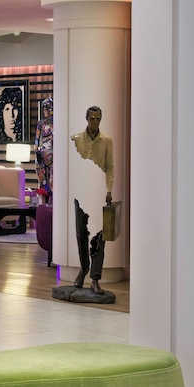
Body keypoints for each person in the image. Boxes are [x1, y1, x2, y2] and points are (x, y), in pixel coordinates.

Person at [70, 105, 115, 294]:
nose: (95, 122)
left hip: (98, 193)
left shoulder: (107, 141)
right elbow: (72, 165)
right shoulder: (76, 139)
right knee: (81, 233)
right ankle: (84, 267)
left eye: (98, 119)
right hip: (81, 193)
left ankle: (95, 278)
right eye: (92, 118)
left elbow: (110, 167)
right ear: (86, 119)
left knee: (99, 238)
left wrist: (108, 189)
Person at [34, 97, 54, 193]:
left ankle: (51, 190)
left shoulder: (56, 122)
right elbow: (37, 137)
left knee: (53, 174)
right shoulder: (41, 123)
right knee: (38, 163)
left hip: (53, 150)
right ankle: (43, 185)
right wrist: (36, 146)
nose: (44, 111)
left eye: (46, 109)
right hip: (44, 149)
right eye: (44, 109)